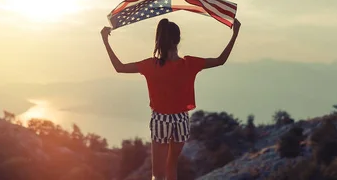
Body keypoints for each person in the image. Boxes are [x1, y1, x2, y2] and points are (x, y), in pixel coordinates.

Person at [100, 17, 242, 180]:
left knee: (157, 174)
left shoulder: (151, 65)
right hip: (181, 120)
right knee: (171, 165)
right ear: (178, 39)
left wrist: (105, 40)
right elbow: (220, 60)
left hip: (161, 120)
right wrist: (235, 34)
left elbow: (120, 67)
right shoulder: (189, 63)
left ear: (160, 40)